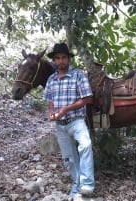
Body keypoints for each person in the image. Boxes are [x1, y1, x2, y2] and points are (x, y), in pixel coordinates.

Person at [43, 43, 95, 199]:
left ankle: (87, 185)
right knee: (69, 158)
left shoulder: (78, 74)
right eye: (57, 58)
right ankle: (77, 184)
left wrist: (66, 109)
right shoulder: (51, 79)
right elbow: (49, 99)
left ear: (69, 59)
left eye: (64, 58)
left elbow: (87, 98)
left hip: (76, 121)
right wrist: (52, 112)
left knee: (85, 145)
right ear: (54, 60)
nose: (61, 61)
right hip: (60, 125)